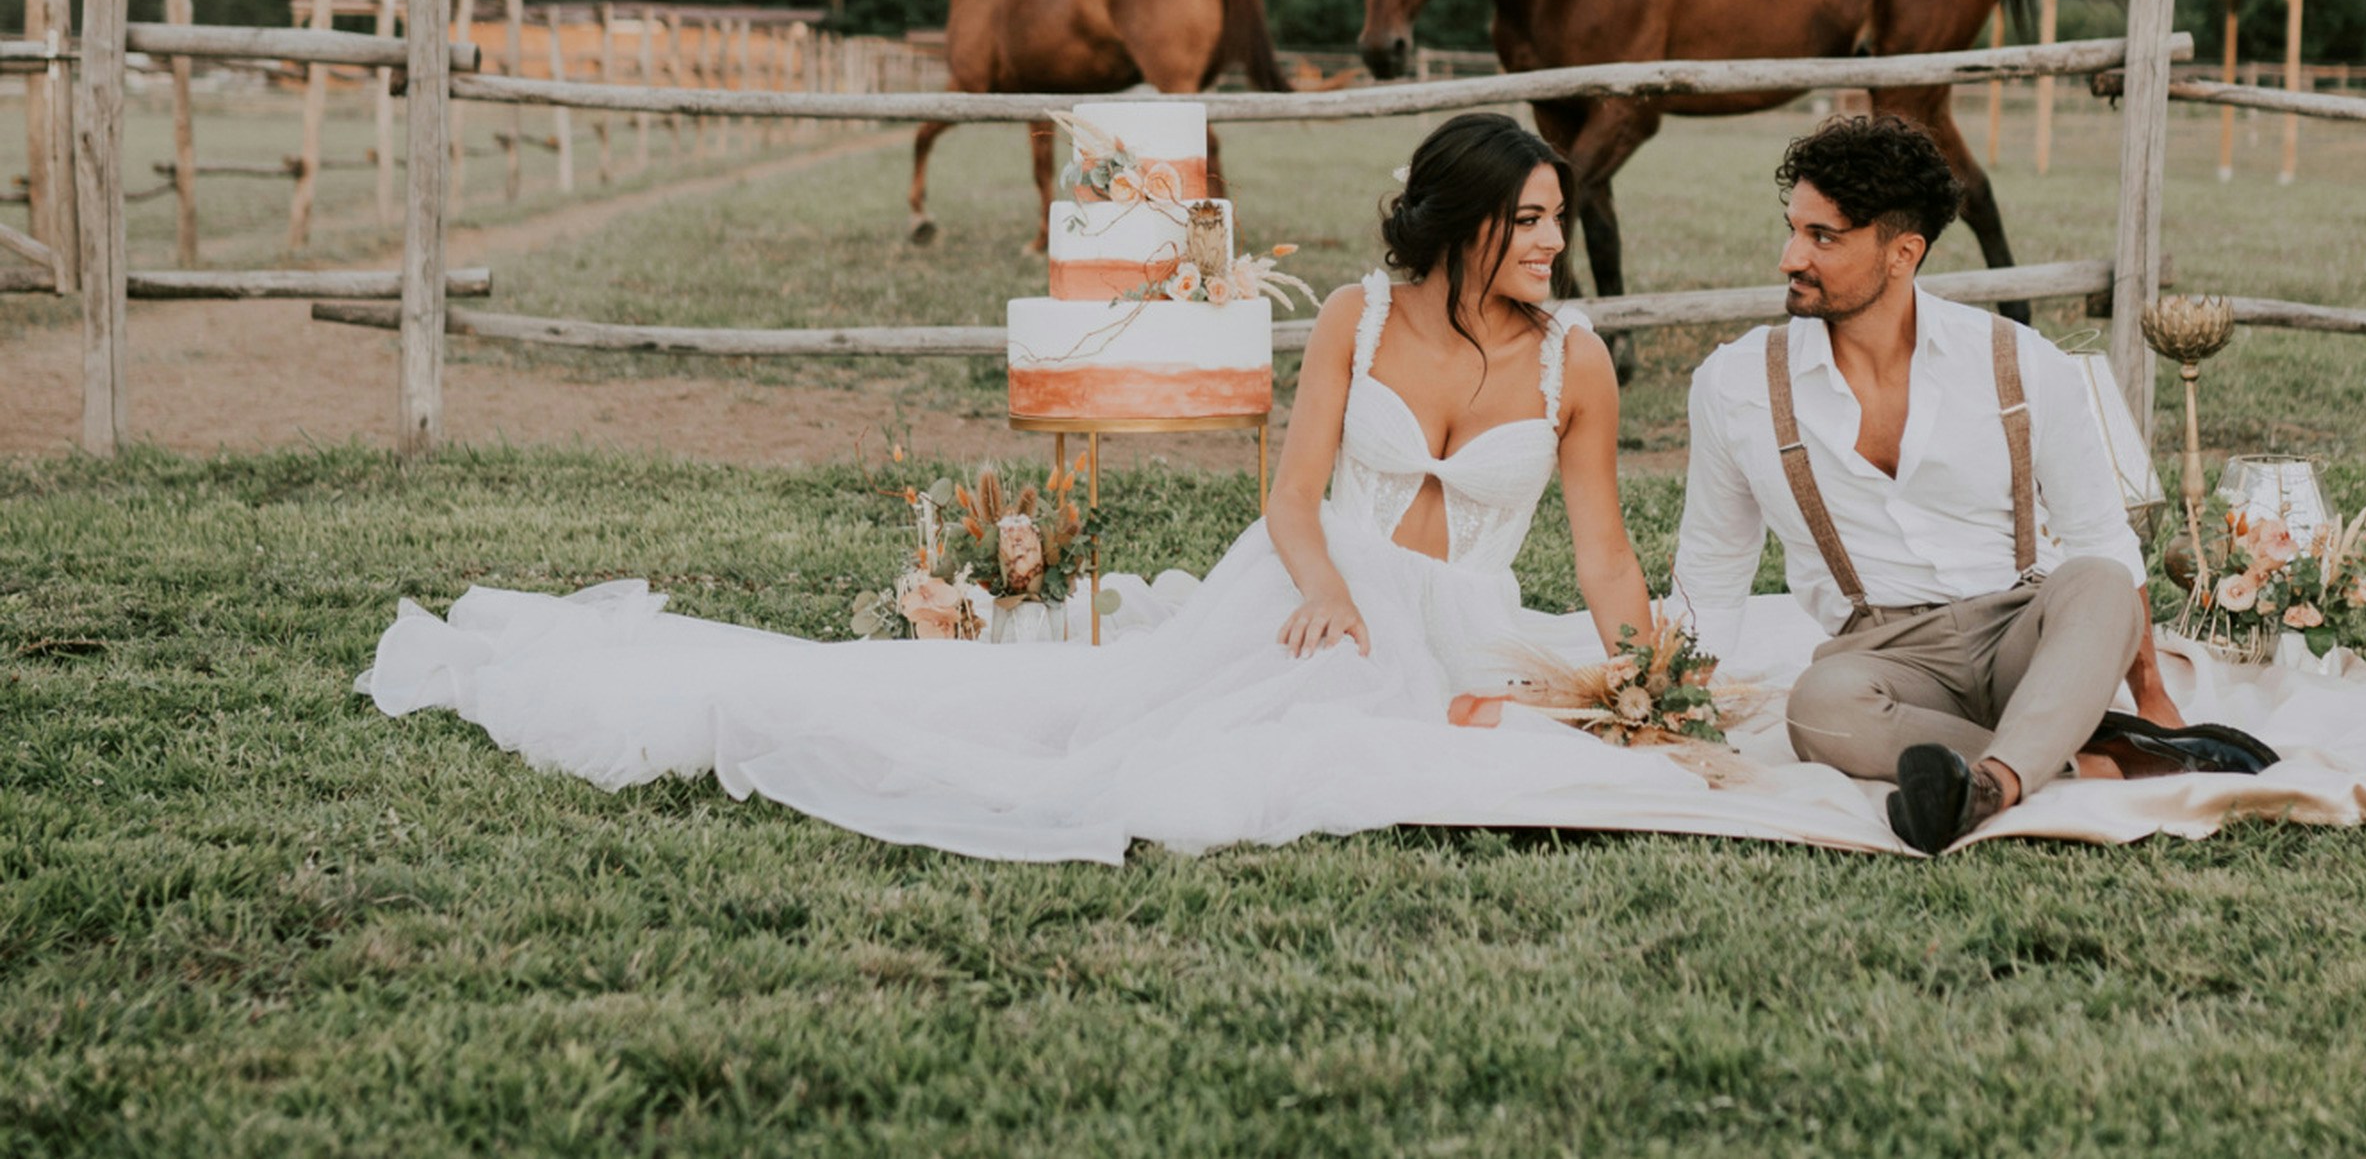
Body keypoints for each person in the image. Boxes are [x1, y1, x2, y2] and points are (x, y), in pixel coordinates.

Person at [362, 113, 1821, 862]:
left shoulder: (1574, 361)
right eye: (1527, 222)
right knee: (1117, 743)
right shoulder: (1354, 323)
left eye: (1555, 223)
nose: (1548, 246)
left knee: (1451, 736)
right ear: (1458, 221)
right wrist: (1322, 589)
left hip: (1464, 615)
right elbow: (1296, 495)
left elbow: (1602, 548)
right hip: (1313, 593)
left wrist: (1643, 669)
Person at [1674, 115, 2272, 855]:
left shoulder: (2020, 361)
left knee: (2098, 583)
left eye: (1823, 236)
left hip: (2020, 629)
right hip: (1885, 656)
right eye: (1794, 228)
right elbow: (1714, 561)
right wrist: (1672, 695)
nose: (1791, 255)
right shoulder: (1735, 384)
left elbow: (2100, 537)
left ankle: (1991, 777)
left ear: (1903, 252)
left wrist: (2154, 695)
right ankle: (2089, 755)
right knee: (1816, 709)